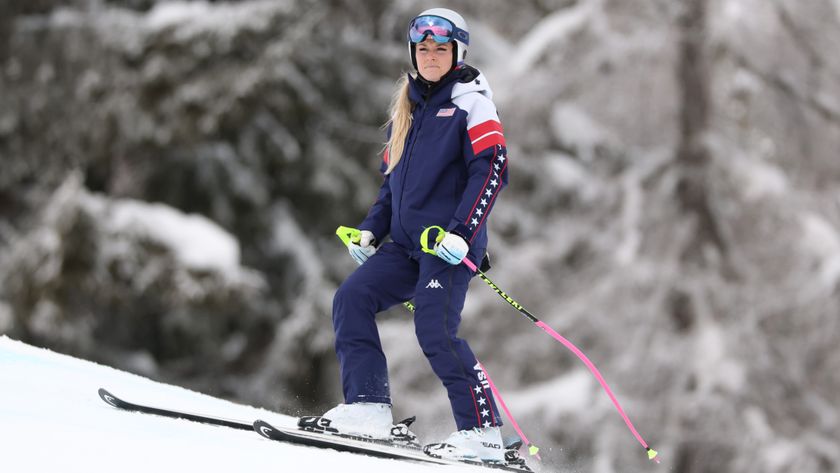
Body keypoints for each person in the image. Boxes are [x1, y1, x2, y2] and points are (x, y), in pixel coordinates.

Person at [318, 8, 511, 463]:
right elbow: (393, 187)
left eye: (440, 49)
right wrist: (370, 232)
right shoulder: (407, 109)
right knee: (351, 298)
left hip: (447, 246)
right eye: (422, 49)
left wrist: (463, 232)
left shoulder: (472, 102)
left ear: (456, 52)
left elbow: (493, 168)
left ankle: (482, 434)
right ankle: (367, 406)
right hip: (405, 246)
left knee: (435, 329)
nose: (430, 56)